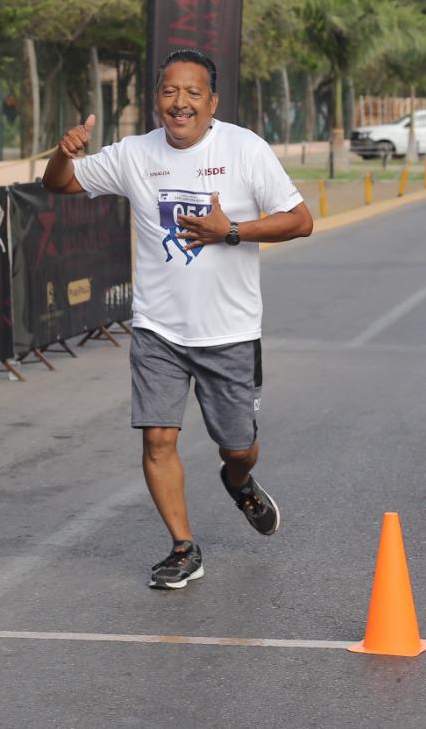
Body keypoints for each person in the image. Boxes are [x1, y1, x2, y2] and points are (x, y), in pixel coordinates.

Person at [42, 49, 313, 589]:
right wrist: (61, 153)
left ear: (212, 102)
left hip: (230, 332)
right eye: (170, 92)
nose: (181, 102)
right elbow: (61, 184)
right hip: (158, 328)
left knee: (238, 446)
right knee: (157, 440)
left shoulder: (243, 149)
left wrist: (230, 231)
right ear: (157, 101)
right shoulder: (135, 154)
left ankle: (239, 482)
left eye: (193, 93)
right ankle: (183, 547)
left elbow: (300, 220)